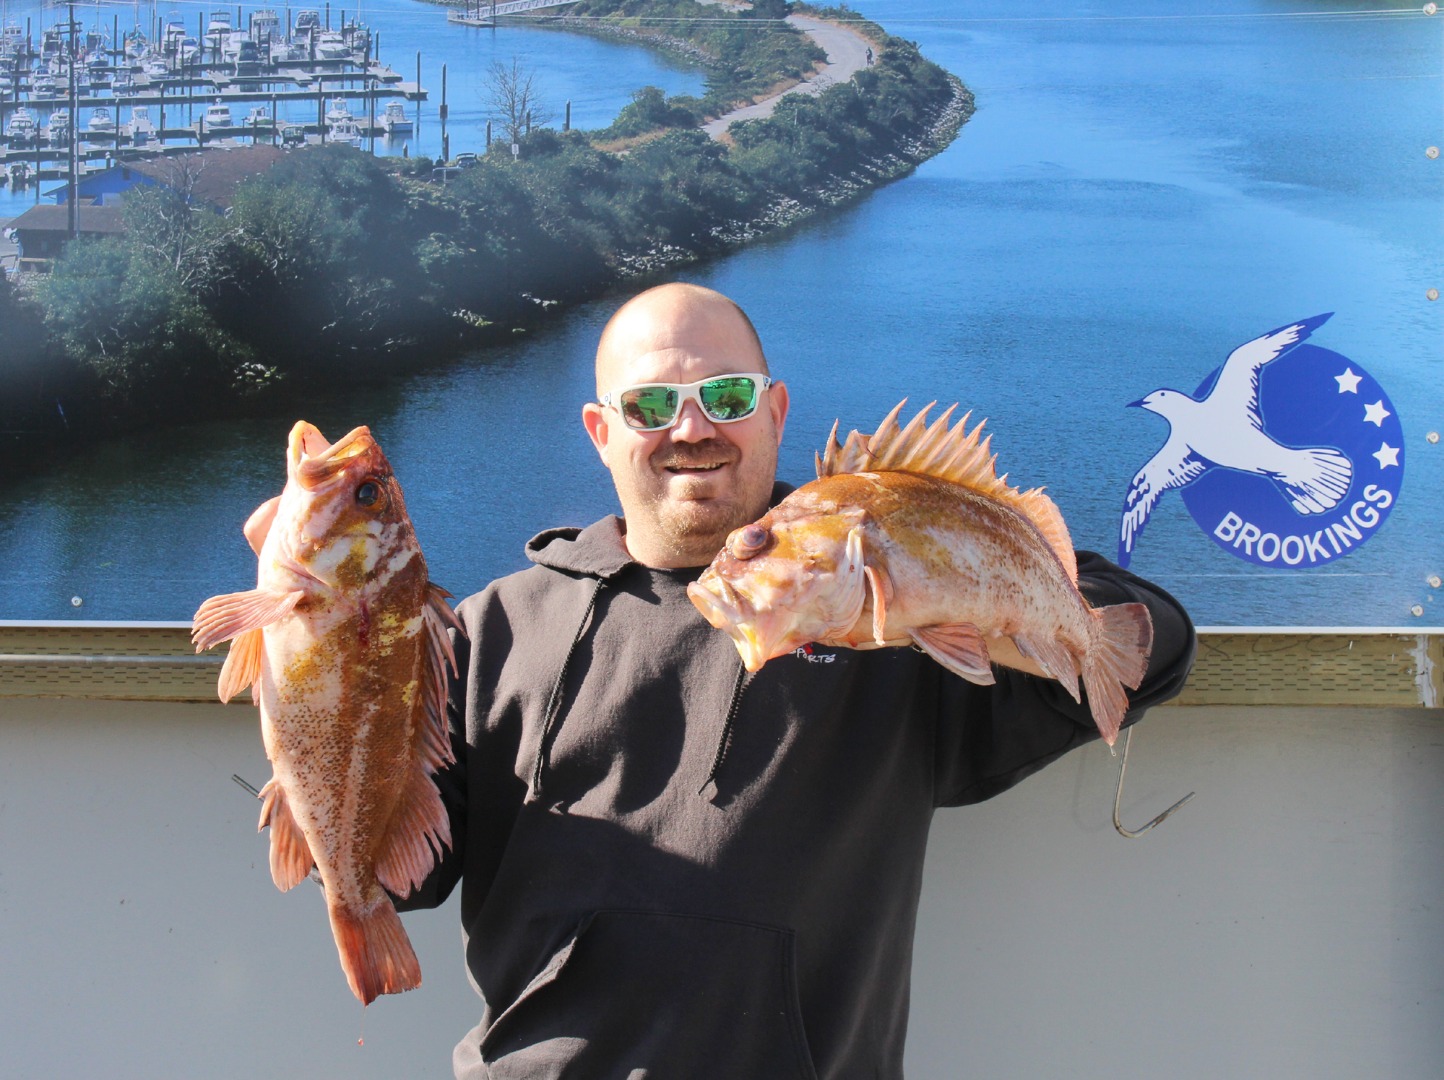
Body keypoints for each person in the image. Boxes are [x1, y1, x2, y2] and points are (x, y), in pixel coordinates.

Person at [401, 282, 1195, 1078]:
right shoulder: (491, 630)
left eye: (728, 394)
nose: (693, 426)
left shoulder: (890, 613)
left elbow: (1153, 648)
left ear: (775, 410)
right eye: (651, 405)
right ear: (602, 431)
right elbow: (404, 874)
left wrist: (956, 596)